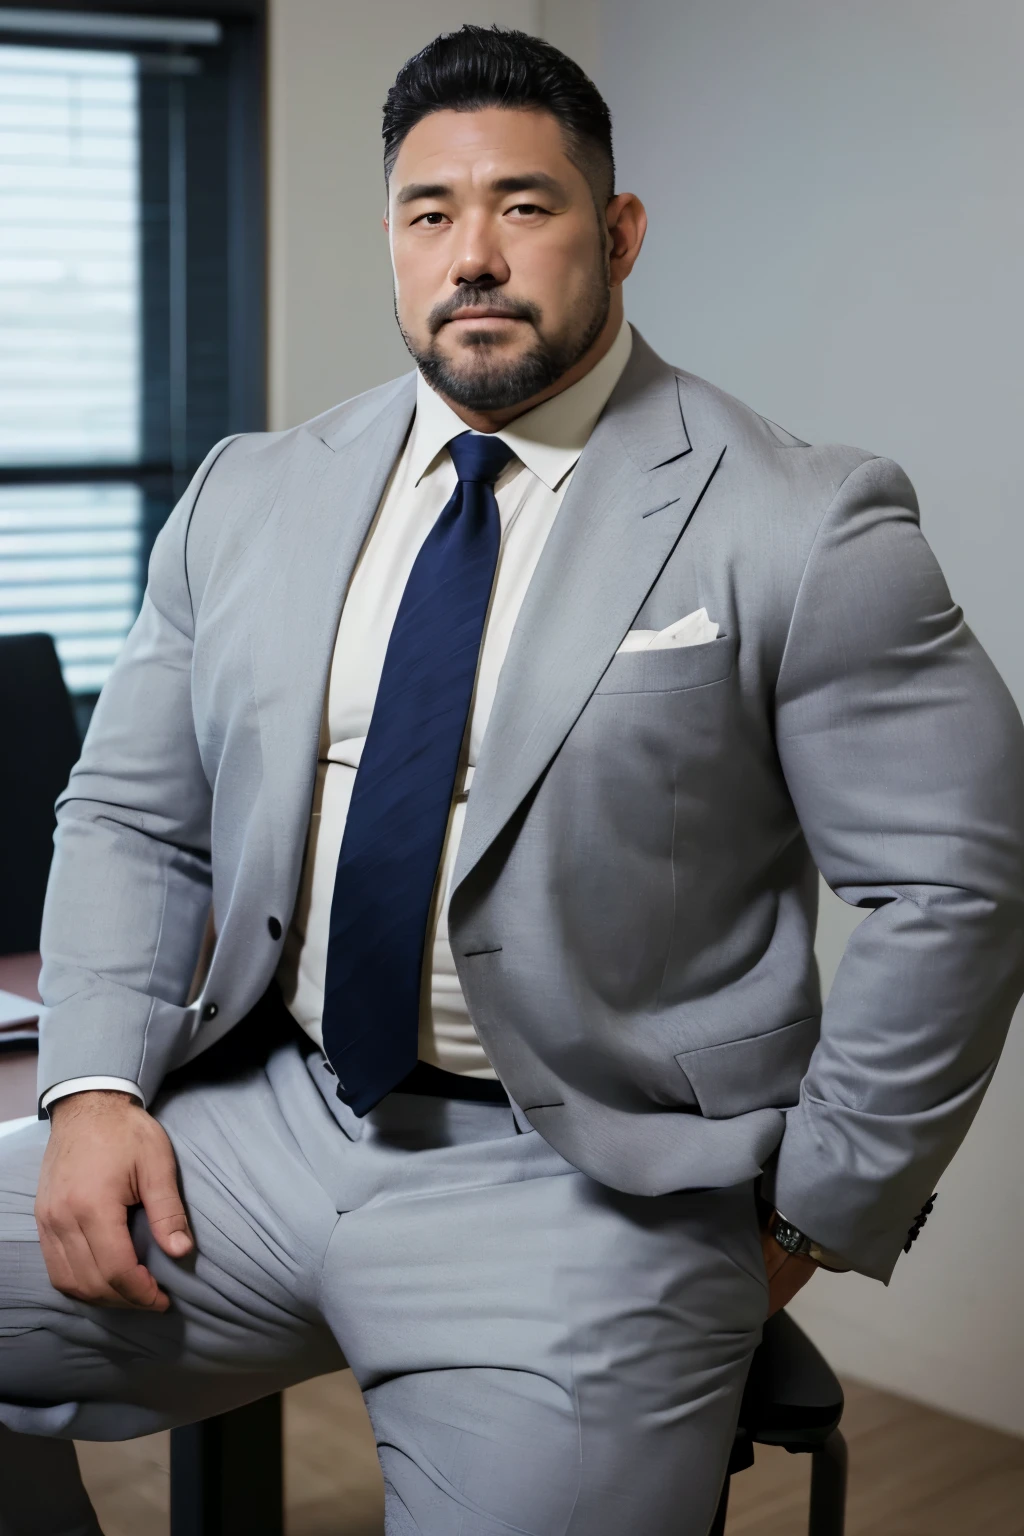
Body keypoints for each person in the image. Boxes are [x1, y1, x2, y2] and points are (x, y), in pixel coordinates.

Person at [2, 24, 1023, 1536]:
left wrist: (816, 1210)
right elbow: (135, 814)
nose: (471, 253)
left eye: (524, 206)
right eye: (431, 213)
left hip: (588, 1193)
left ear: (616, 234)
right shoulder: (249, 496)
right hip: (271, 1121)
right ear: (396, 246)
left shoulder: (807, 523)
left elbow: (957, 886)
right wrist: (91, 1091)